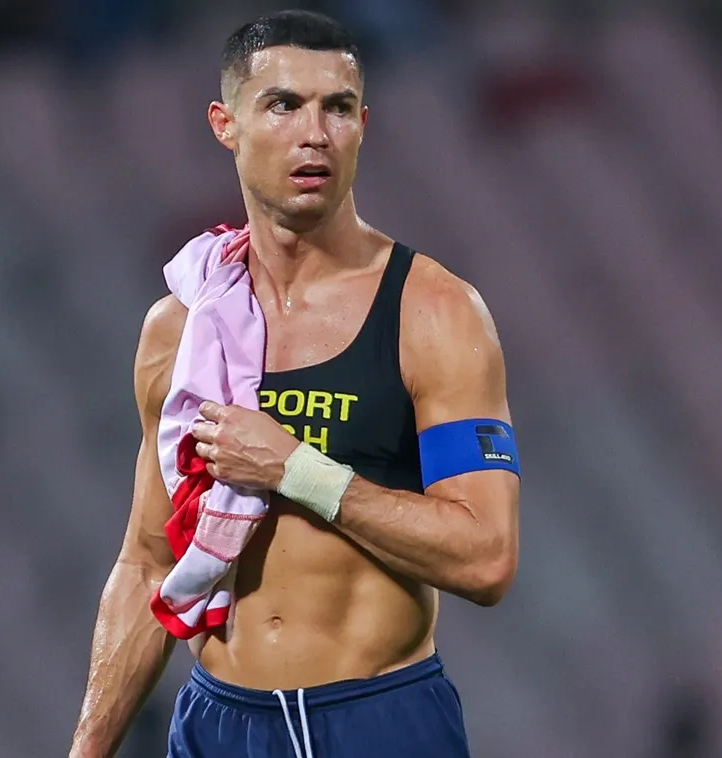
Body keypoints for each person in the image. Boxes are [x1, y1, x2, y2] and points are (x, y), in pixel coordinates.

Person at [69, 9, 520, 758]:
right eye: (283, 104)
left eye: (337, 108)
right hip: (217, 724)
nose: (315, 133)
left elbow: (487, 558)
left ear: (363, 125)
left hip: (377, 718)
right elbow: (148, 563)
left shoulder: (433, 313)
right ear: (226, 123)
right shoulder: (182, 328)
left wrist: (295, 471)